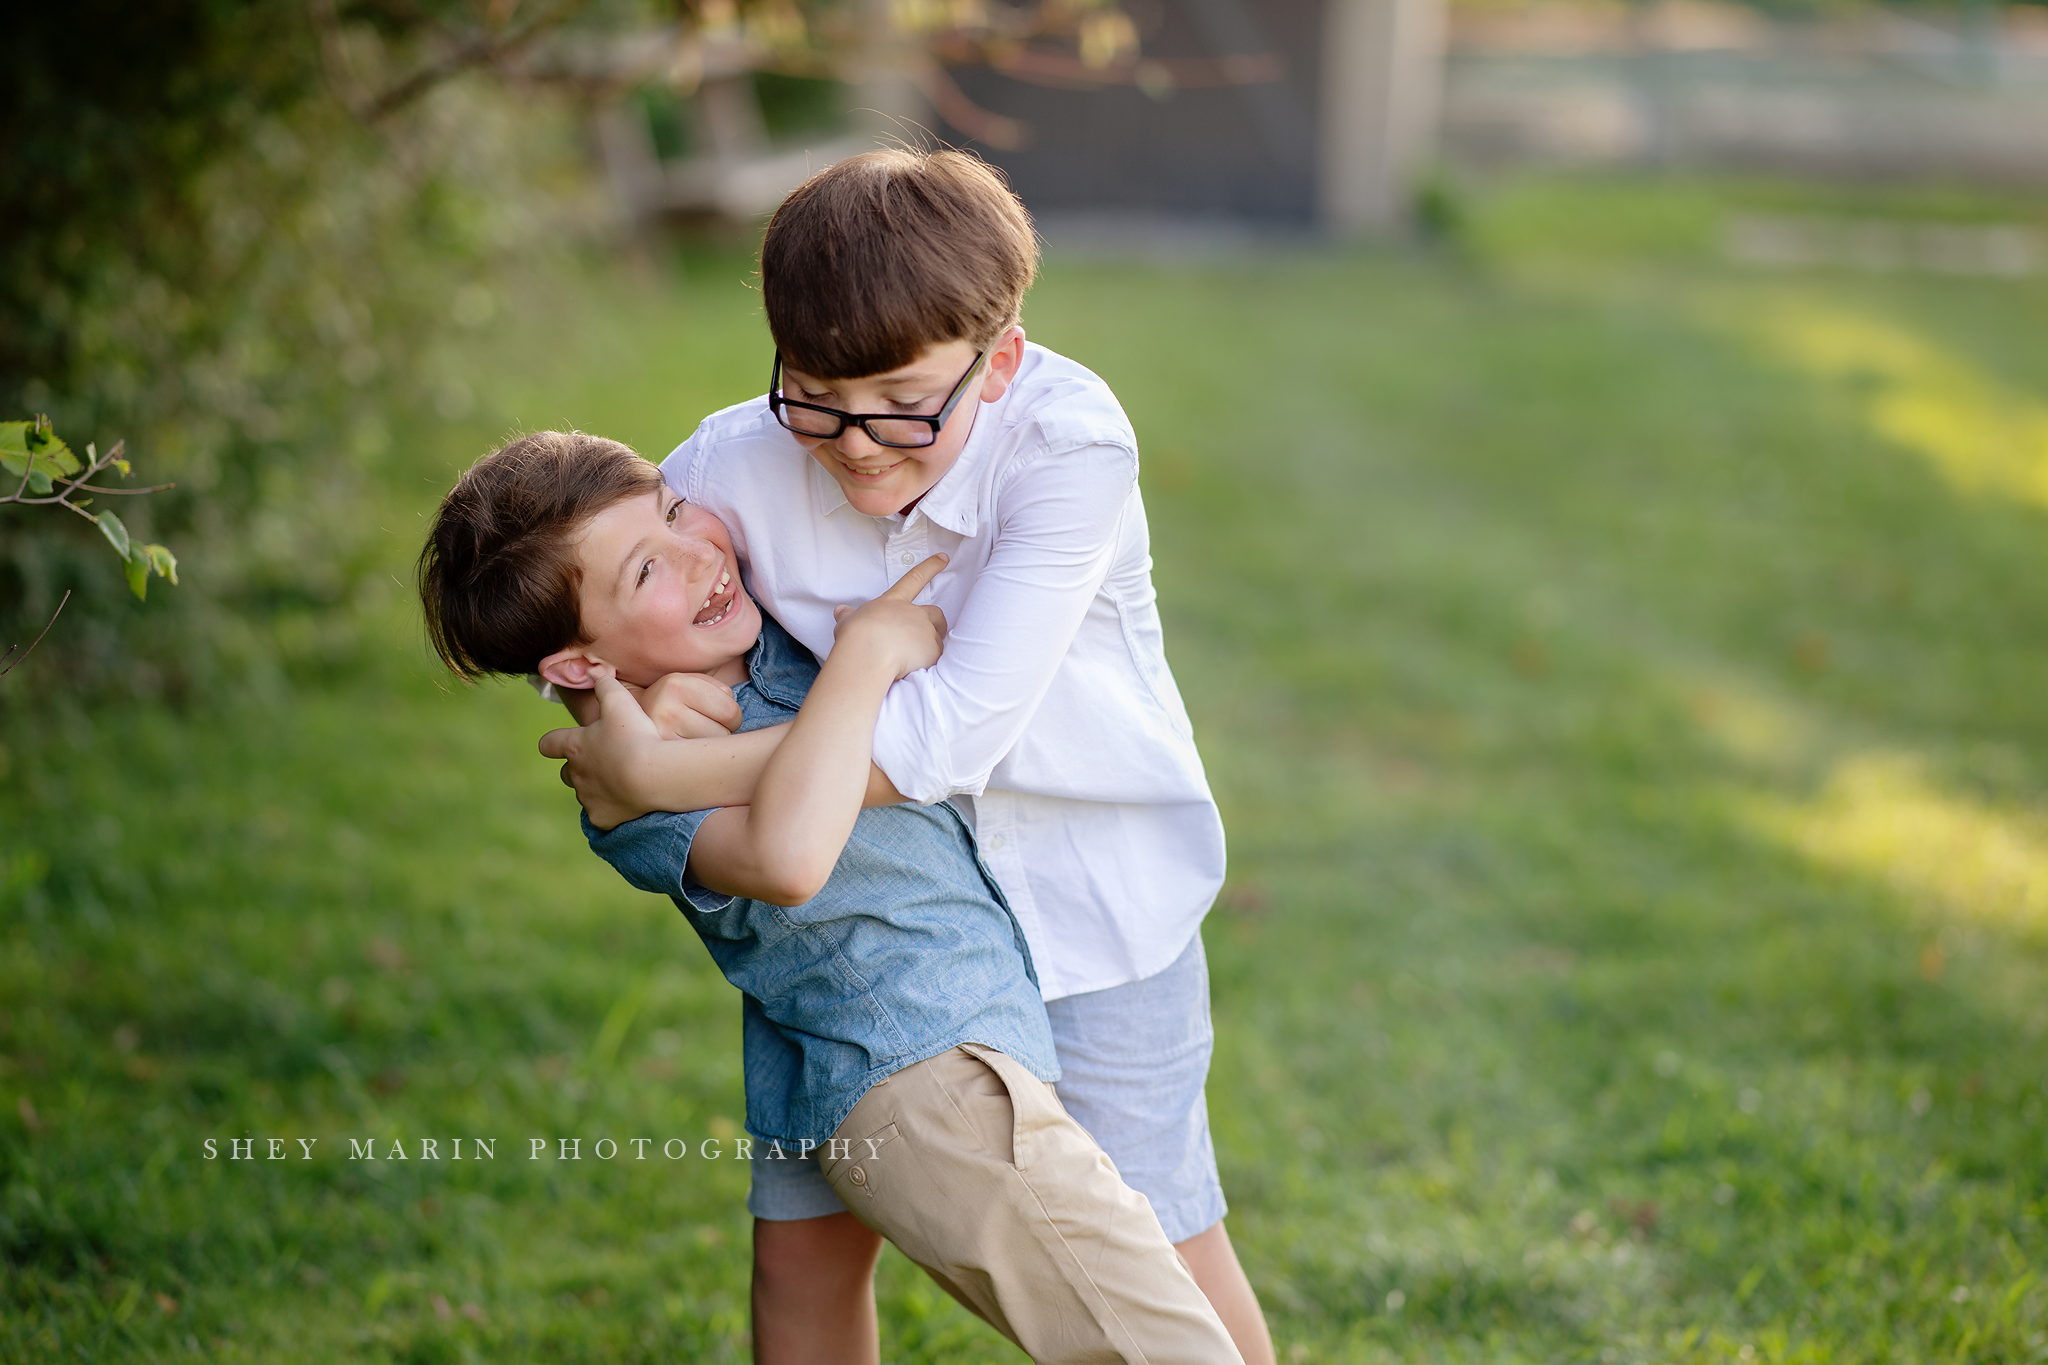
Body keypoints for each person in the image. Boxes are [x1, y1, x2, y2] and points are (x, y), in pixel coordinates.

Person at [541, 147, 1275, 1365]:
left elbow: (947, 734)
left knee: (1149, 1242)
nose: (856, 441)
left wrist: (661, 783)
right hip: (866, 921)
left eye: (898, 399)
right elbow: (605, 608)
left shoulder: (1066, 447)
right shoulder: (728, 464)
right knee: (804, 1256)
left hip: (1095, 903)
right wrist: (639, 713)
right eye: (814, 394)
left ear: (997, 359)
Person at [419, 431, 1243, 1365]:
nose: (699, 555)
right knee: (1157, 1338)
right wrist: (865, 659)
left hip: (913, 1052)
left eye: (676, 512)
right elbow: (789, 856)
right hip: (926, 1077)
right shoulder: (624, 795)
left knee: (807, 1285)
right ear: (575, 667)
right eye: (648, 567)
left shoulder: (763, 637)